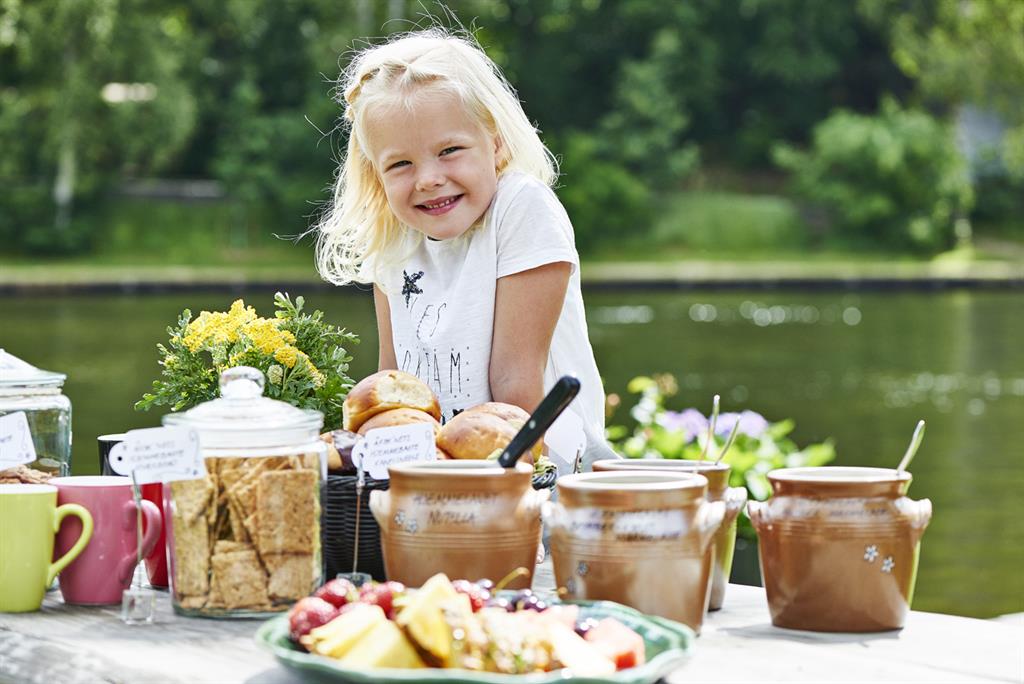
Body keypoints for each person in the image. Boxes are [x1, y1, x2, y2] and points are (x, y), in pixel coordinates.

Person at [315, 27, 618, 473]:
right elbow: (391, 387)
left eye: (450, 150)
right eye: (401, 164)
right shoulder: (393, 233)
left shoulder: (521, 209)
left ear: (494, 144)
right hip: (441, 481)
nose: (428, 179)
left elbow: (515, 386)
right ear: (375, 173)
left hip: (542, 479)